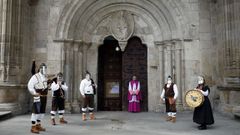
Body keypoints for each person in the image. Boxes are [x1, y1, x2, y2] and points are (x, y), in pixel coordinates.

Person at [28, 63, 49, 133]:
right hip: (38, 96)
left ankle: (38, 125)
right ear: (40, 69)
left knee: (42, 112)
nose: (44, 70)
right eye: (43, 68)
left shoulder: (45, 77)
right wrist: (34, 93)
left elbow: (45, 86)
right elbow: (30, 85)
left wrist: (49, 87)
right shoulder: (35, 76)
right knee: (36, 111)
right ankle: (33, 127)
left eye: (45, 68)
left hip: (44, 96)